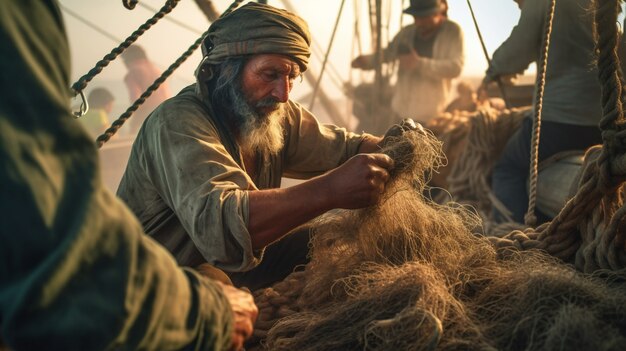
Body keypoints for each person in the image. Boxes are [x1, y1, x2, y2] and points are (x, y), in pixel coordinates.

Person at [0, 1, 257, 350]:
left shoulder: (129, 73)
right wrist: (207, 313)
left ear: (125, 59)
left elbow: (136, 99)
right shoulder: (152, 66)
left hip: (145, 125)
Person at [116, 2, 417, 291]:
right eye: (270, 74)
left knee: (330, 239)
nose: (283, 93)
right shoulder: (177, 123)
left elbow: (343, 148)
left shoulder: (271, 113)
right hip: (153, 283)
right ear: (227, 69)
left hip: (233, 267)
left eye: (291, 77)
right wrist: (331, 190)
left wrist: (386, 146)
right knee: (214, 282)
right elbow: (223, 230)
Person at [483, 0, 603, 224]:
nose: (519, 6)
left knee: (507, 169)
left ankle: (515, 236)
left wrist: (492, 72)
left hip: (557, 123)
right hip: (604, 124)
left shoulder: (544, 2)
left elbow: (516, 51)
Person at [351, 0, 464, 126]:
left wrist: (419, 64)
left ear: (437, 13)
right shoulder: (407, 32)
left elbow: (456, 68)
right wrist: (368, 61)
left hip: (430, 117)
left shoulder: (453, 32)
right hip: (400, 112)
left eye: (423, 17)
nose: (418, 22)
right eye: (416, 17)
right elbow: (389, 53)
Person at [121, 44, 171, 134]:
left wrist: (134, 124)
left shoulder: (133, 72)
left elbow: (136, 99)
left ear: (127, 59)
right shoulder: (157, 70)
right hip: (167, 111)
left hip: (149, 114)